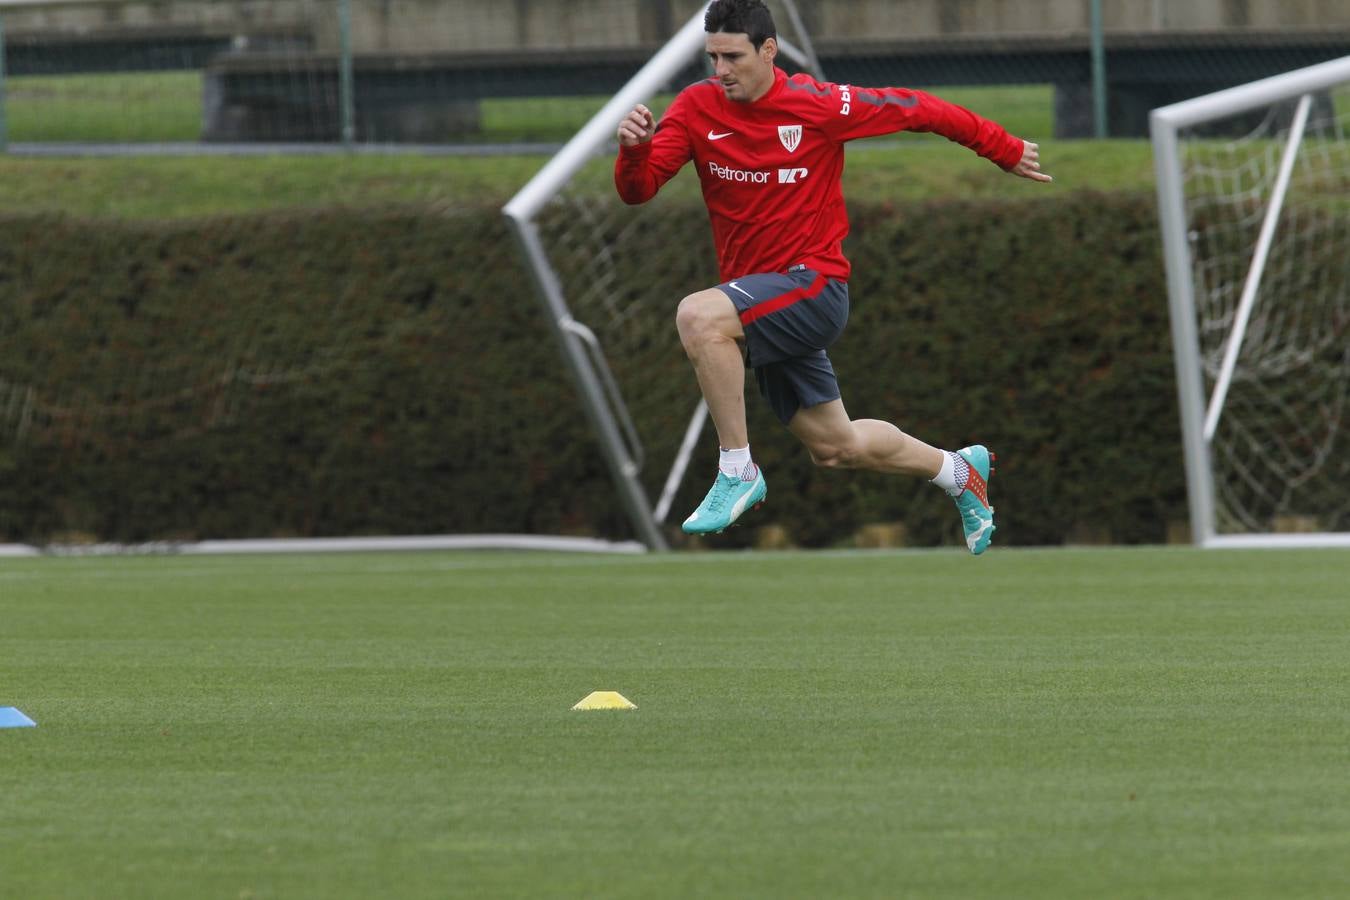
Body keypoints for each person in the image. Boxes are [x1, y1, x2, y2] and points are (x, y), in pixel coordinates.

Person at [614, 0, 1052, 554]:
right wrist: (634, 151)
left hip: (814, 287)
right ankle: (959, 472)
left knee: (699, 317)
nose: (720, 70)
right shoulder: (698, 107)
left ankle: (737, 470)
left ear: (768, 51)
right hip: (759, 307)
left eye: (732, 56)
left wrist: (1003, 148)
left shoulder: (819, 105)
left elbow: (918, 108)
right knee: (835, 447)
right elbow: (640, 189)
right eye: (712, 57)